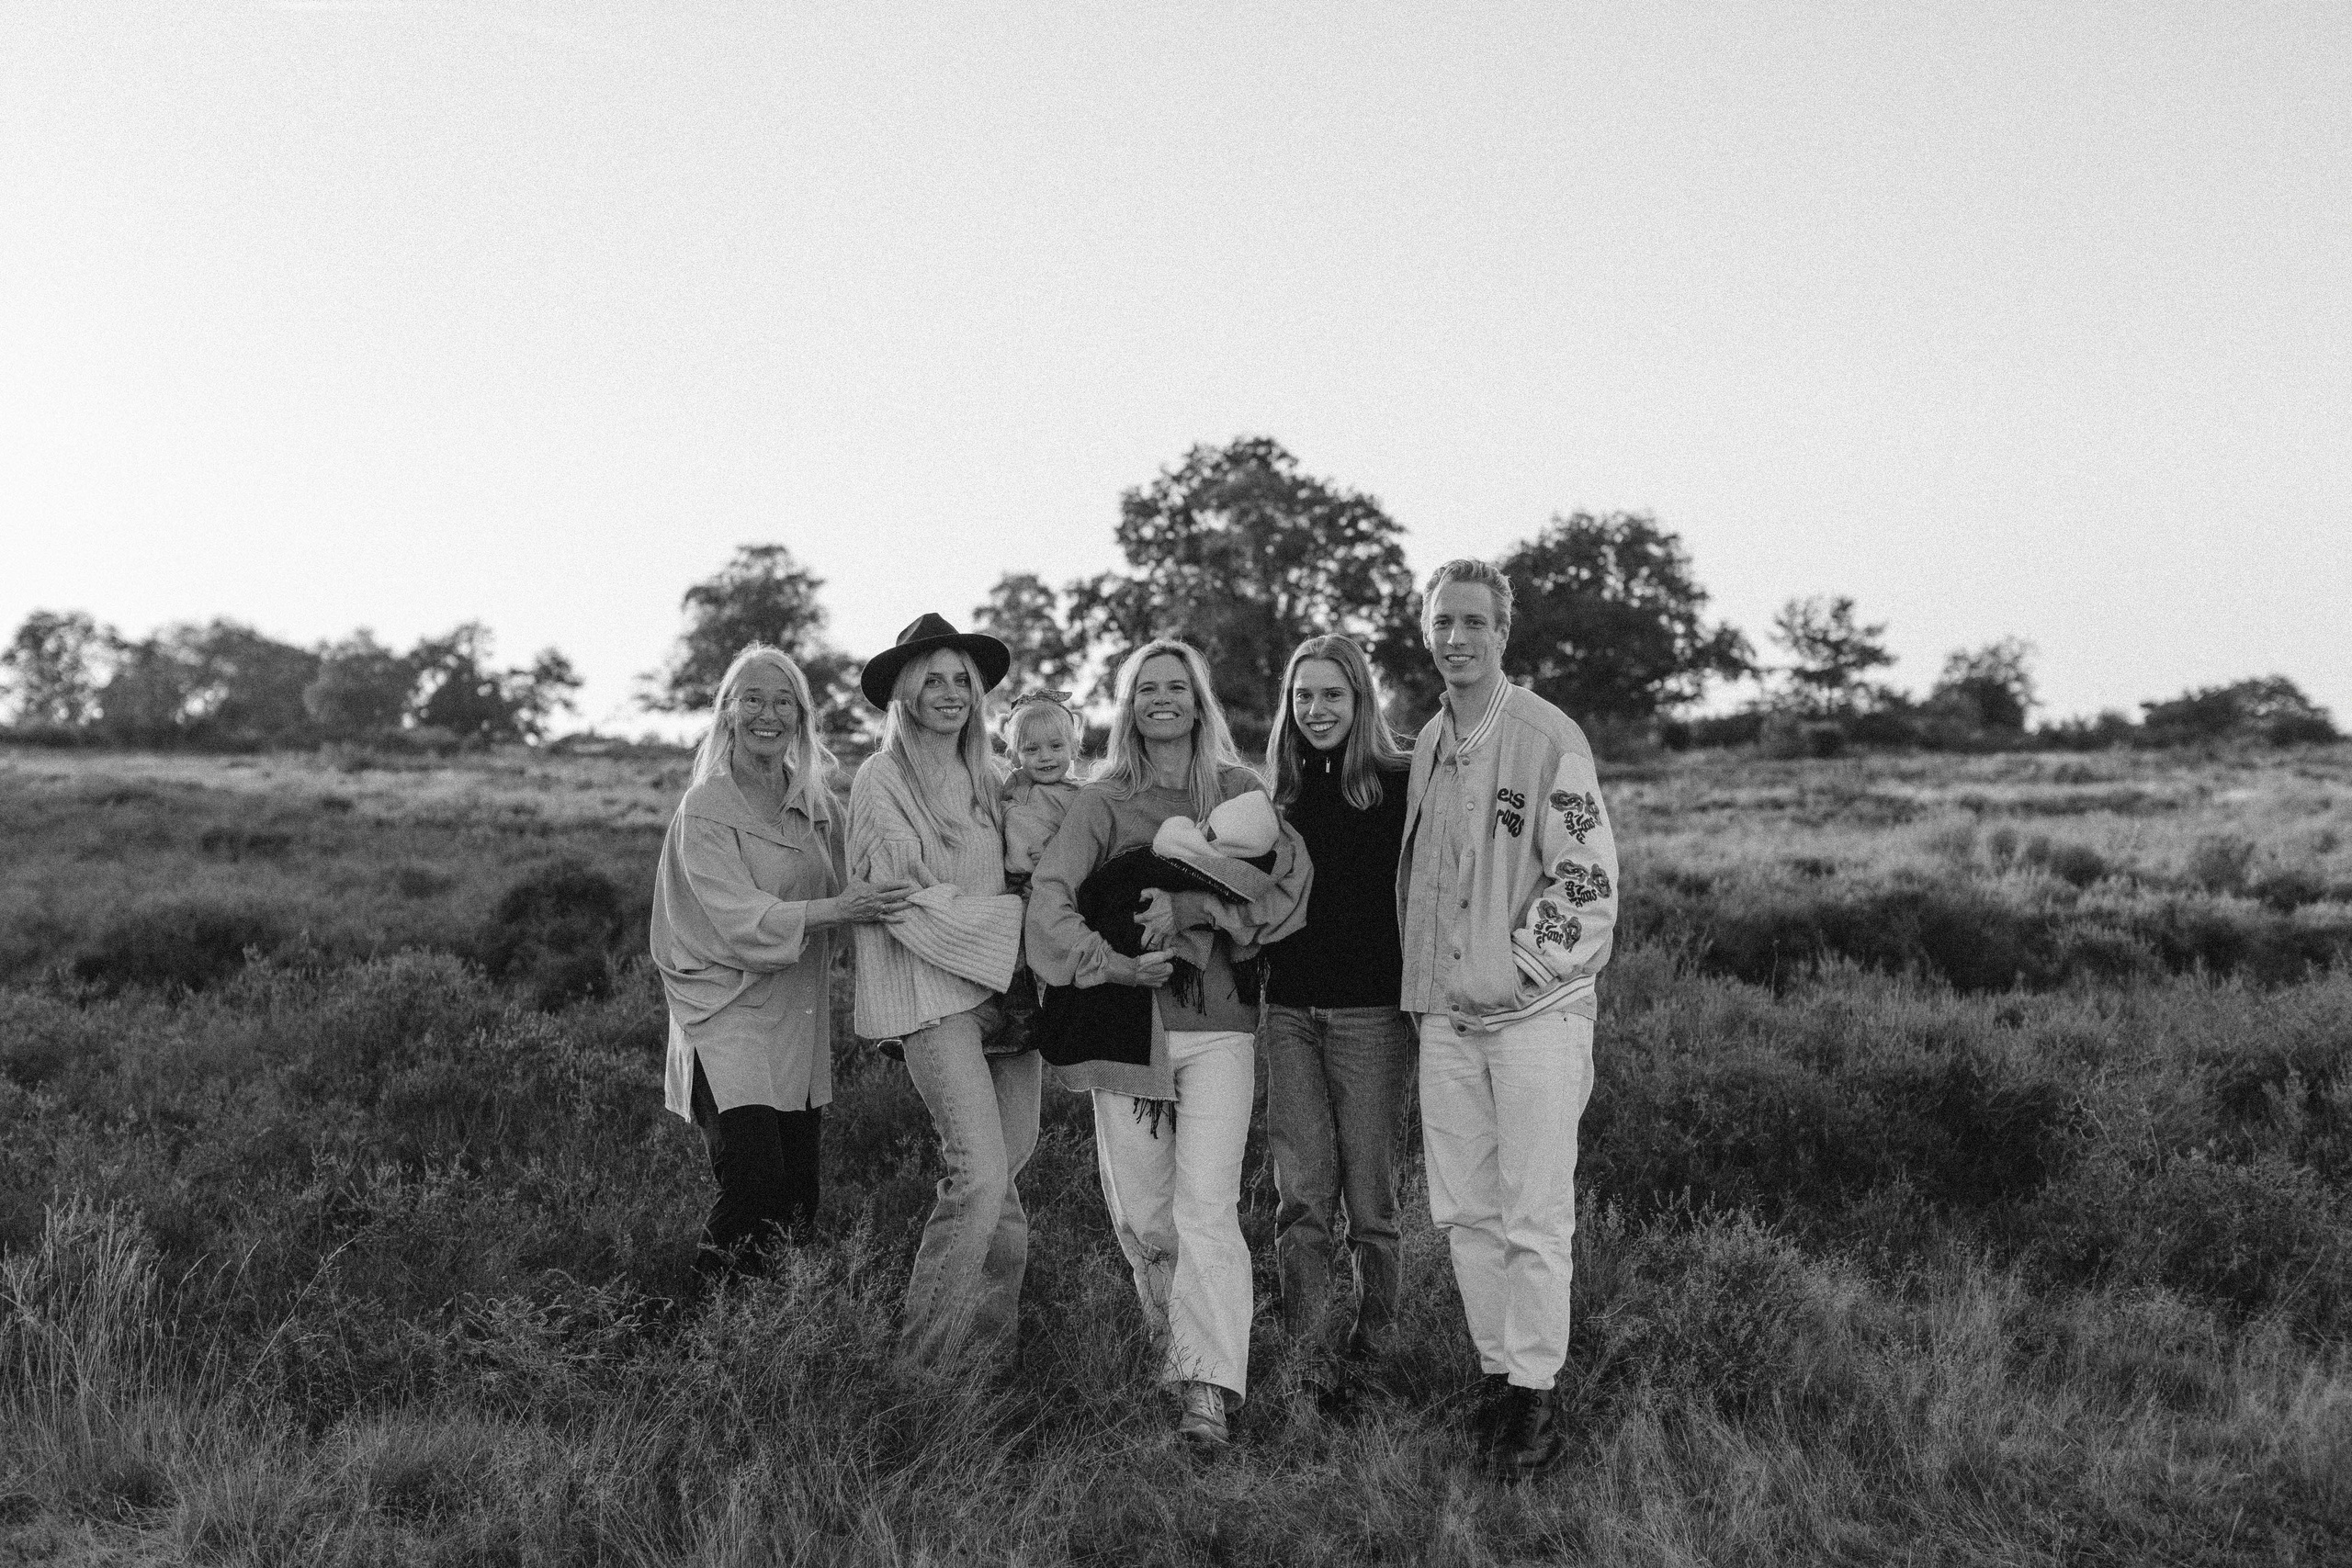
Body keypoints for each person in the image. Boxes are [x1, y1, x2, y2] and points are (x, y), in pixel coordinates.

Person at [1025, 640, 1312, 1448]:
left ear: (1198, 699)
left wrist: (1191, 909)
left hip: (1219, 1030)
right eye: (1145, 688)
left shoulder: (1238, 791)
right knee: (1147, 1216)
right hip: (1128, 1033)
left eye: (1175, 687)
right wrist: (1111, 961)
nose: (1161, 700)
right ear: (1128, 704)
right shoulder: (1104, 801)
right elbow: (1048, 901)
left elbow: (1281, 898)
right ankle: (1173, 1350)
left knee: (1207, 1210)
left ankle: (1208, 1391)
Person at [1397, 558, 1620, 1480]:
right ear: (1424, 630)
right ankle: (1497, 1379)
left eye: (1474, 622)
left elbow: (1586, 874)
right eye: (1442, 621)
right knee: (1466, 1214)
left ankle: (1533, 1401)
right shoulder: (1428, 744)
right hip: (1446, 1020)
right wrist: (1439, 990)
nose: (1456, 637)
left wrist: (1520, 969)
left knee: (1535, 1214)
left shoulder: (1543, 734)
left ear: (1502, 633)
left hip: (1535, 1019)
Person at [650, 643, 912, 1278]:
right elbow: (742, 920)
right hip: (724, 1012)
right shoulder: (706, 806)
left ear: (800, 716)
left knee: (798, 1200)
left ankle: (771, 1335)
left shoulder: (816, 805)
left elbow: (872, 876)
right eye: (753, 699)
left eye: (783, 700)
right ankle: (696, 1333)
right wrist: (840, 911)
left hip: (795, 1017)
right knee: (754, 1183)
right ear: (728, 713)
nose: (769, 713)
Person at [849, 614, 1035, 1373]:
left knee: (1007, 1188)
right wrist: (1016, 928)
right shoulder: (880, 780)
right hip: (933, 996)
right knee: (978, 1174)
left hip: (1010, 1002)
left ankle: (987, 1372)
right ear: (904, 691)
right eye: (934, 679)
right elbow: (900, 903)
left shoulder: (994, 780)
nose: (952, 692)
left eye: (964, 679)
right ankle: (921, 1377)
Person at [1257, 634, 1415, 1399]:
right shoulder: (1275, 797)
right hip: (1288, 1011)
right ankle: (1307, 1360)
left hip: (1373, 1016)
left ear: (1361, 701)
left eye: (1332, 696)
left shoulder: (1400, 781)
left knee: (1372, 1200)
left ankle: (1378, 1354)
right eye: (1303, 696)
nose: (1316, 710)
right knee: (1303, 1196)